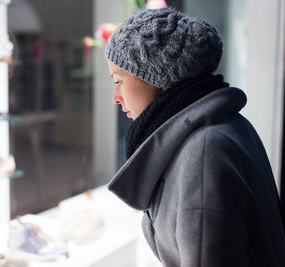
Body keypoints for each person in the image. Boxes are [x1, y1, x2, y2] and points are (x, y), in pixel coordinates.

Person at [105, 7, 285, 266]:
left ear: (157, 77)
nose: (116, 98)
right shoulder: (226, 125)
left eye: (119, 80)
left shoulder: (203, 155)